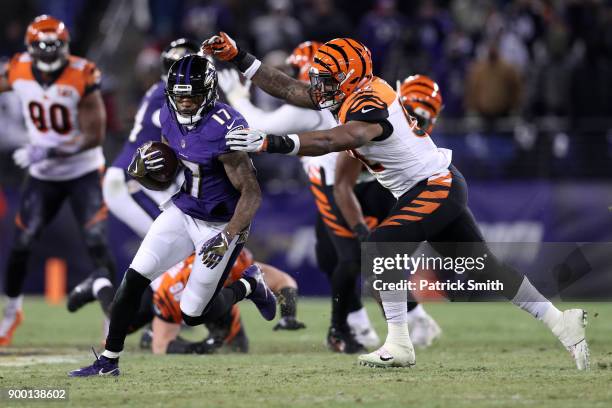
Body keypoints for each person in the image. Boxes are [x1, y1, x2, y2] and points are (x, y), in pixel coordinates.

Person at [202, 33, 589, 369]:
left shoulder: (370, 101)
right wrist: (239, 57)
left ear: (350, 77)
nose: (318, 86)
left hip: (433, 186)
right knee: (484, 269)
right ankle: (560, 321)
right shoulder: (348, 91)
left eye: (326, 79)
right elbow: (289, 88)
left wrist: (272, 142)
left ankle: (400, 343)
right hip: (435, 184)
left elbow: (338, 140)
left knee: (382, 246)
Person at [68, 54, 276, 377]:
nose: (185, 104)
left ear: (208, 94)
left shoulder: (226, 128)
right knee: (133, 280)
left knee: (192, 314)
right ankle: (109, 362)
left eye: (192, 97)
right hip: (184, 210)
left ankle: (249, 285)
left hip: (220, 224)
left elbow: (252, 194)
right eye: (180, 97)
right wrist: (146, 175)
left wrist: (228, 235)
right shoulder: (167, 114)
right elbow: (173, 168)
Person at [218, 41, 378, 352]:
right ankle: (360, 323)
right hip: (353, 178)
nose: (298, 75)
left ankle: (345, 327)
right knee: (330, 256)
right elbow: (287, 90)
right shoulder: (343, 94)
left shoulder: (322, 100)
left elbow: (264, 123)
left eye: (297, 69)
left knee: (348, 257)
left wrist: (238, 96)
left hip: (337, 183)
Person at [0, 15, 115, 346]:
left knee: (96, 242)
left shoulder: (82, 73)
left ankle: (111, 317)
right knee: (22, 243)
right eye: (43, 48)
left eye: (55, 48)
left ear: (65, 47)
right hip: (42, 176)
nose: (49, 56)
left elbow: (95, 135)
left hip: (82, 170)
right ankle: (12, 311)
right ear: (30, 48)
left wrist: (51, 151)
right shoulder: (18, 68)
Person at [66, 38, 202, 314]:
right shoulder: (166, 96)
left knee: (171, 252)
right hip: (133, 182)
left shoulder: (166, 92)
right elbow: (181, 141)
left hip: (142, 181)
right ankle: (161, 324)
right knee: (171, 249)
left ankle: (102, 288)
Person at [333, 74, 445, 348]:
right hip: (354, 197)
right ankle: (346, 326)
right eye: (414, 114)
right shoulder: (373, 119)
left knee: (378, 268)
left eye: (424, 119)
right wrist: (359, 227)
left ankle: (400, 330)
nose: (420, 123)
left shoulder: (415, 142)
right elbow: (342, 186)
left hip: (391, 196)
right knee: (345, 261)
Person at [141, 248, 305, 354]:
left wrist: (288, 314)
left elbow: (283, 281)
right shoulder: (173, 288)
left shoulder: (235, 262)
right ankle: (151, 330)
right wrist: (198, 348)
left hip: (207, 297)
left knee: (237, 346)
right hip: (151, 293)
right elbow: (160, 346)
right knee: (130, 326)